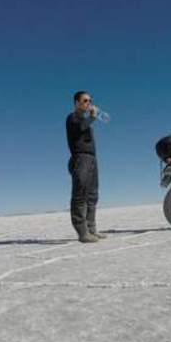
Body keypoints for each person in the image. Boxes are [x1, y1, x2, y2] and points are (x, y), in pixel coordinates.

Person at [66, 90, 107, 243]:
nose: (88, 103)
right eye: (85, 101)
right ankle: (82, 232)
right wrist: (92, 116)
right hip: (80, 158)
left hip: (91, 159)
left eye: (89, 100)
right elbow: (80, 128)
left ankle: (92, 229)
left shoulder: (85, 119)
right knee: (80, 195)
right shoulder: (73, 118)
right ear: (77, 103)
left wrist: (92, 117)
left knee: (92, 195)